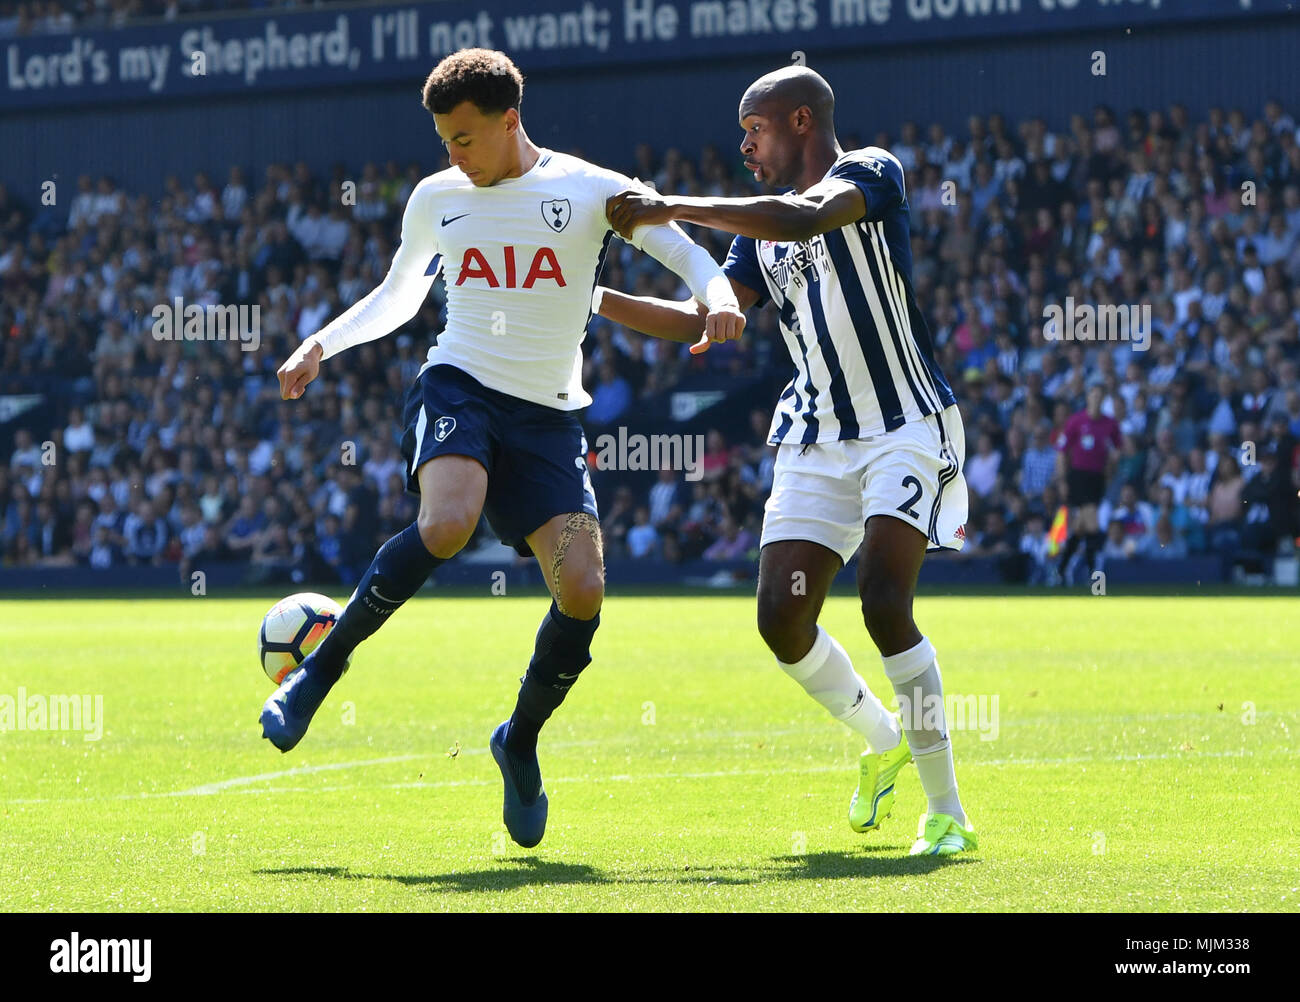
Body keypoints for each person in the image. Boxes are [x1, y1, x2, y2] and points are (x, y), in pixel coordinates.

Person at [259, 48, 744, 849]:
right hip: (460, 384)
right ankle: (320, 672)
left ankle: (518, 739)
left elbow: (687, 256)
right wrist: (321, 344)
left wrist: (720, 299)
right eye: (445, 140)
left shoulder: (591, 188)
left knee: (583, 587)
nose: (453, 155)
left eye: (464, 139)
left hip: (549, 418)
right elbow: (399, 294)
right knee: (449, 521)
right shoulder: (438, 196)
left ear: (510, 121)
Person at [598, 66, 975, 856]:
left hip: (904, 423)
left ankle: (947, 814)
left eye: (755, 131)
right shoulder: (753, 241)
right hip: (815, 435)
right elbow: (702, 314)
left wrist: (670, 205)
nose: (745, 146)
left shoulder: (871, 172)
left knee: (882, 598)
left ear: (801, 120)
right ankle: (882, 740)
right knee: (780, 616)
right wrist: (592, 300)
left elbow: (801, 220)